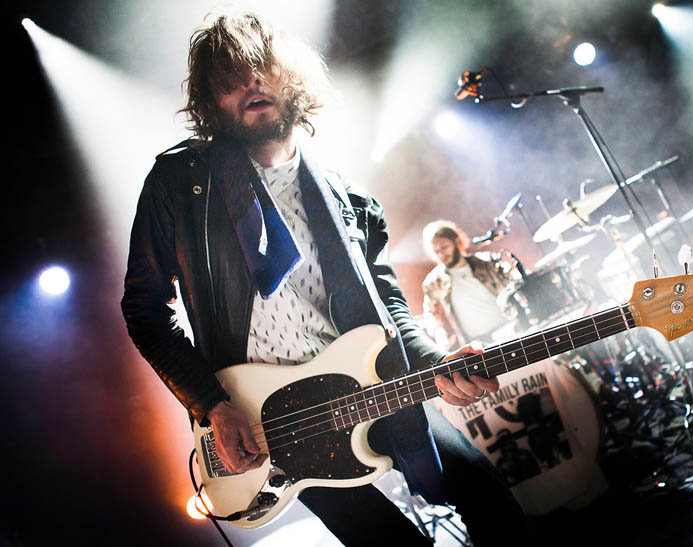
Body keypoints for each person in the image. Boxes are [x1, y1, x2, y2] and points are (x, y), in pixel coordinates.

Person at [121, 11, 526, 545]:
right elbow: (144, 310)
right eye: (229, 80)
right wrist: (212, 405)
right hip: (275, 420)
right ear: (209, 102)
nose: (251, 84)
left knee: (494, 502)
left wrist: (434, 364)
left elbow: (388, 306)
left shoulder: (348, 199)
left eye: (263, 69)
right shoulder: (180, 184)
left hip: (369, 385)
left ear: (294, 79)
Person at [421, 220, 519, 350]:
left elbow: (516, 284)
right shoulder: (434, 282)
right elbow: (430, 315)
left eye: (444, 247)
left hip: (511, 330)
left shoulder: (487, 262)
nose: (441, 254)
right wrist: (438, 330)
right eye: (436, 251)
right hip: (479, 344)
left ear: (456, 241)